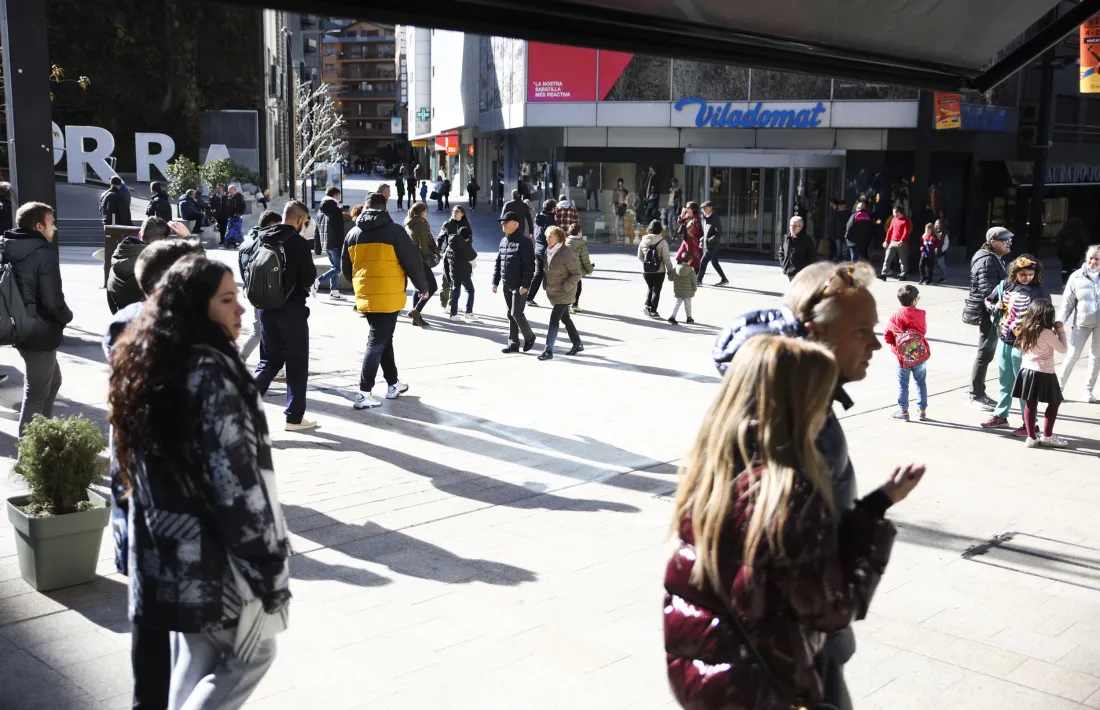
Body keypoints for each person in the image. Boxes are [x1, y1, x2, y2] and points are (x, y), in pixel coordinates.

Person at [665, 334, 921, 710]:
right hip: (764, 691)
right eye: (823, 401)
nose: (828, 414)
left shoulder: (711, 475)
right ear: (799, 406)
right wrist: (872, 525)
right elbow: (832, 609)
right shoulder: (787, 493)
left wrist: (875, 503)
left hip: (706, 684)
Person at [108, 256, 289, 710]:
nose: (241, 310)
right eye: (227, 300)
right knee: (253, 652)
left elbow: (121, 469)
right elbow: (237, 485)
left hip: (164, 555)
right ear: (196, 307)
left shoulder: (148, 362)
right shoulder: (212, 373)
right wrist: (266, 563)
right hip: (213, 564)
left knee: (194, 659)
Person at [712, 260, 892, 707]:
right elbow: (782, 572)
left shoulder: (805, 413)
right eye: (861, 331)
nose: (877, 343)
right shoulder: (794, 432)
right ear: (816, 334)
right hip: (796, 660)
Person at [102, 238, 205, 710]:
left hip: (131, 488)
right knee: (172, 620)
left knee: (149, 618)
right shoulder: (170, 335)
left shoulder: (124, 322)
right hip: (164, 496)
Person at [343, 191, 429, 409]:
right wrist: (422, 287)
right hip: (389, 295)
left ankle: (393, 384)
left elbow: (346, 269)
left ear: (365, 207)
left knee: (383, 339)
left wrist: (363, 284)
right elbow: (411, 261)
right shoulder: (395, 232)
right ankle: (363, 393)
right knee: (377, 341)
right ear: (385, 208)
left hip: (366, 296)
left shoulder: (353, 233)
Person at [0, 202, 74, 436]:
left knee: (53, 382)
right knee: (36, 394)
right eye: (52, 224)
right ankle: (29, 452)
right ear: (38, 225)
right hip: (39, 332)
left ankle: (45, 432)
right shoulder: (43, 253)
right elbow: (53, 301)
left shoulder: (7, 247)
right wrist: (67, 316)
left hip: (19, 325)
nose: (55, 229)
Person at [248, 200, 318, 432]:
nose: (305, 225)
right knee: (297, 364)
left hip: (265, 309)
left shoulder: (262, 237)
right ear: (299, 220)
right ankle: (294, 418)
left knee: (269, 361)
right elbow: (308, 278)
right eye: (305, 221)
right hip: (292, 311)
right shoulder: (298, 243)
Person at [981, 254, 1051, 432]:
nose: (1027, 278)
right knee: (1005, 381)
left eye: (1030, 274)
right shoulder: (1006, 286)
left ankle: (1030, 424)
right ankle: (1001, 415)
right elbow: (988, 300)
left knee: (1024, 386)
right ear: (1015, 273)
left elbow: (1047, 316)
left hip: (1025, 345)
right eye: (1022, 275)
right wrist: (995, 306)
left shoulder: (1039, 291)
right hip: (1005, 340)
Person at [964, 227, 1012, 410]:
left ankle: (979, 392)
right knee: (984, 353)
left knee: (986, 353)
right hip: (989, 314)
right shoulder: (987, 260)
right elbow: (988, 290)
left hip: (991, 313)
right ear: (993, 242)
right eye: (1005, 240)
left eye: (1009, 239)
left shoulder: (992, 258)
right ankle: (975, 395)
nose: (1009, 243)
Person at [1013, 299, 1068, 448]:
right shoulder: (1046, 332)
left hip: (1026, 370)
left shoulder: (1025, 328)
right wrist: (1060, 331)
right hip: (1044, 371)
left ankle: (1031, 437)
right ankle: (1048, 436)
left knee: (1030, 404)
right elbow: (1063, 349)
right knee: (1054, 402)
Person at [238, 210, 283, 362]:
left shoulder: (246, 242)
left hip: (252, 290)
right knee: (262, 331)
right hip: (264, 291)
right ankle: (242, 361)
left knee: (262, 330)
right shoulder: (264, 243)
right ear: (270, 225)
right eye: (278, 226)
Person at [1058, 244, 1100, 402]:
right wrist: (1060, 320)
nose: (1093, 262)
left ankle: (1088, 391)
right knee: (1072, 355)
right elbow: (1067, 302)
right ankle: (1058, 388)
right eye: (1091, 258)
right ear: (1086, 258)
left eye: (1097, 259)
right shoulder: (1076, 277)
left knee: (1096, 358)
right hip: (1082, 322)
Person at [107, 216, 172, 314]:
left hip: (123, 324)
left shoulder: (118, 259)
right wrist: (187, 238)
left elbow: (112, 304)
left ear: (140, 235)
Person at [492, 211, 536, 353]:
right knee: (510, 314)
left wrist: (525, 285)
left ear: (515, 224)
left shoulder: (524, 242)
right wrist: (495, 281)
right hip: (507, 284)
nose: (502, 225)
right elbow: (499, 262)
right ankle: (513, 343)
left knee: (516, 312)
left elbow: (530, 266)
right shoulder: (503, 241)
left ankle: (529, 337)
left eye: (506, 222)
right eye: (502, 222)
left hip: (519, 285)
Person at [884, 285, 929, 421]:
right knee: (920, 382)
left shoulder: (896, 315)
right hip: (919, 354)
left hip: (902, 356)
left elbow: (887, 335)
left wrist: (895, 344)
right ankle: (921, 411)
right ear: (914, 301)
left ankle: (904, 411)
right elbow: (923, 332)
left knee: (903, 383)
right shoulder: (920, 314)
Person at [538, 226, 583, 360]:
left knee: (554, 320)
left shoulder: (566, 252)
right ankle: (577, 343)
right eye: (547, 236)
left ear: (559, 237)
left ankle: (548, 351)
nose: (547, 239)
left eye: (550, 236)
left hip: (565, 293)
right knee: (565, 319)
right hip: (554, 292)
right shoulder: (547, 252)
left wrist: (566, 286)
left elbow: (577, 273)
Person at [404, 202, 439, 327]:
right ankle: (416, 311)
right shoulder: (421, 225)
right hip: (420, 261)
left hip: (410, 260)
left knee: (418, 287)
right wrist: (432, 255)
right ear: (422, 212)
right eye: (425, 211)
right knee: (431, 287)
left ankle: (415, 318)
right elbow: (423, 247)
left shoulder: (408, 223)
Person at [638, 219, 675, 318]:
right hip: (660, 271)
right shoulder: (662, 241)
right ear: (660, 230)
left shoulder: (643, 239)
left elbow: (639, 256)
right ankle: (653, 310)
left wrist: (647, 264)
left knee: (650, 287)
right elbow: (666, 258)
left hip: (646, 271)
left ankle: (647, 305)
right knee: (656, 290)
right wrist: (670, 271)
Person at [314, 186, 345, 301]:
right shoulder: (335, 210)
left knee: (334, 267)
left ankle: (334, 291)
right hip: (335, 243)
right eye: (339, 195)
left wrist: (317, 245)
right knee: (337, 269)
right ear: (335, 195)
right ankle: (317, 281)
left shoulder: (320, 210)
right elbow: (339, 230)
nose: (340, 197)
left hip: (326, 243)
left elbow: (317, 229)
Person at [526, 199, 557, 307]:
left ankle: (529, 297)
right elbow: (552, 237)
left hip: (538, 249)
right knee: (555, 274)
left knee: (539, 274)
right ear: (552, 208)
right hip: (547, 250)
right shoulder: (550, 220)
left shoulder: (539, 218)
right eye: (555, 207)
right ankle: (558, 300)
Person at [446, 226, 479, 322]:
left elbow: (446, 260)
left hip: (454, 272)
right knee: (470, 291)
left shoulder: (450, 243)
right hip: (464, 272)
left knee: (456, 291)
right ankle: (469, 312)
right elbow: (473, 257)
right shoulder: (464, 246)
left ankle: (453, 314)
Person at [697, 200, 727, 285]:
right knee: (714, 262)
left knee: (703, 261)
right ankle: (724, 279)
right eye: (702, 208)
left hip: (712, 245)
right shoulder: (706, 217)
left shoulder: (715, 218)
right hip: (708, 243)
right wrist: (702, 240)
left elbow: (719, 232)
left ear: (710, 208)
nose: (703, 210)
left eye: (705, 208)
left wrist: (709, 240)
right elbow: (707, 232)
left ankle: (699, 280)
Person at [565, 223, 593, 313]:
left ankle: (569, 305)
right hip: (576, 270)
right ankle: (573, 305)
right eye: (581, 232)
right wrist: (590, 270)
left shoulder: (565, 241)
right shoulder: (581, 244)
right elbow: (585, 260)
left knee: (568, 287)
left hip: (565, 269)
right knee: (577, 288)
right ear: (579, 232)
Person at [779, 215, 816, 280]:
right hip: (789, 271)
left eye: (795, 226)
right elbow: (781, 252)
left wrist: (804, 270)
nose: (792, 228)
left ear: (801, 227)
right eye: (791, 225)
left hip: (801, 274)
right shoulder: (786, 238)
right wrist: (783, 264)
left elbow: (812, 257)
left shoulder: (807, 240)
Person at [879, 205, 910, 280]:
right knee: (887, 258)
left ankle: (903, 275)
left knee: (902, 260)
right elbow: (890, 231)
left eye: (894, 212)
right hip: (892, 241)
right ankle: (884, 274)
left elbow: (905, 232)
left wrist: (902, 240)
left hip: (901, 242)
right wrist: (886, 241)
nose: (893, 214)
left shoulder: (906, 221)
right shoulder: (893, 220)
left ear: (899, 212)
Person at [667, 251, 697, 326]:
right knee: (688, 305)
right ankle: (689, 318)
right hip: (688, 291)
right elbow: (694, 281)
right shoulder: (691, 270)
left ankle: (672, 317)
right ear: (690, 261)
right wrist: (694, 289)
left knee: (677, 303)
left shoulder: (676, 268)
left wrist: (669, 273)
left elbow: (670, 278)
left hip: (678, 291)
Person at [1057, 218, 1089, 286]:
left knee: (1065, 268)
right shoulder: (1079, 231)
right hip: (1076, 253)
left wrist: (1059, 252)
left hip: (1064, 253)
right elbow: (1083, 242)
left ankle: (1065, 282)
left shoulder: (1064, 230)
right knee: (1074, 268)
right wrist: (1083, 253)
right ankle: (1073, 283)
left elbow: (1059, 242)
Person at [934, 217, 950, 283]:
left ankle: (944, 277)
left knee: (942, 265)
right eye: (935, 223)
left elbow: (946, 243)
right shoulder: (934, 231)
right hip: (934, 251)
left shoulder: (944, 233)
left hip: (940, 251)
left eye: (937, 223)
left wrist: (942, 250)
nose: (936, 224)